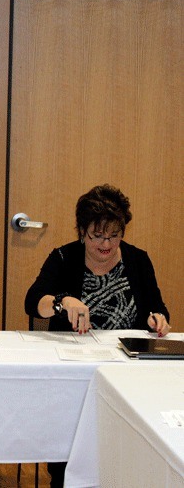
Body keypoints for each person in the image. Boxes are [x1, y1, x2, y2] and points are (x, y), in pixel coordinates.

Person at [25, 183, 170, 487]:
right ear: (82, 231)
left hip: (127, 372)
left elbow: (158, 307)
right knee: (71, 461)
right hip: (75, 372)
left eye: (114, 235)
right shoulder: (64, 258)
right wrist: (61, 301)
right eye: (98, 235)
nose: (106, 244)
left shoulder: (138, 260)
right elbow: (33, 301)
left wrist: (159, 320)